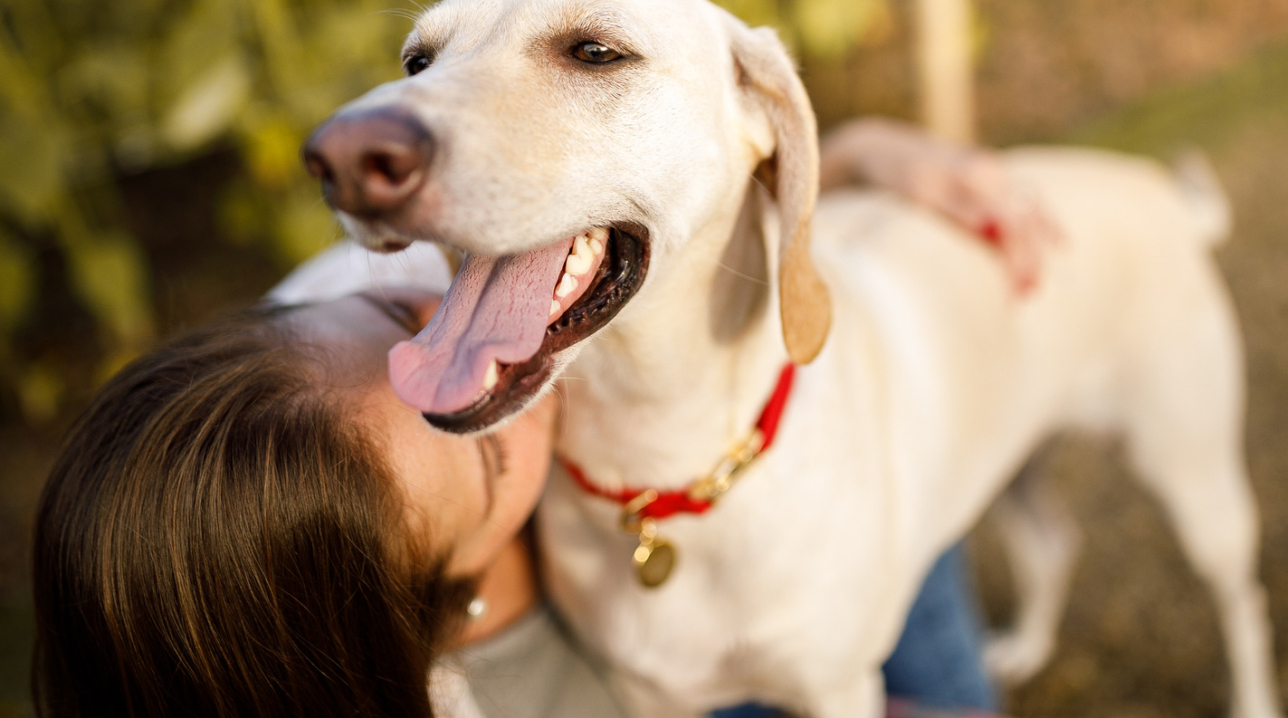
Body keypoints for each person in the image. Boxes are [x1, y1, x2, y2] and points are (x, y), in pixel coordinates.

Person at [31, 119, 1054, 718]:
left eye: (401, 320)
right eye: (481, 447)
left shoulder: (354, 299)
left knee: (923, 584)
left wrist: (858, 156)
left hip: (844, 454)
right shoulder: (540, 693)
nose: (485, 350)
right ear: (449, 606)